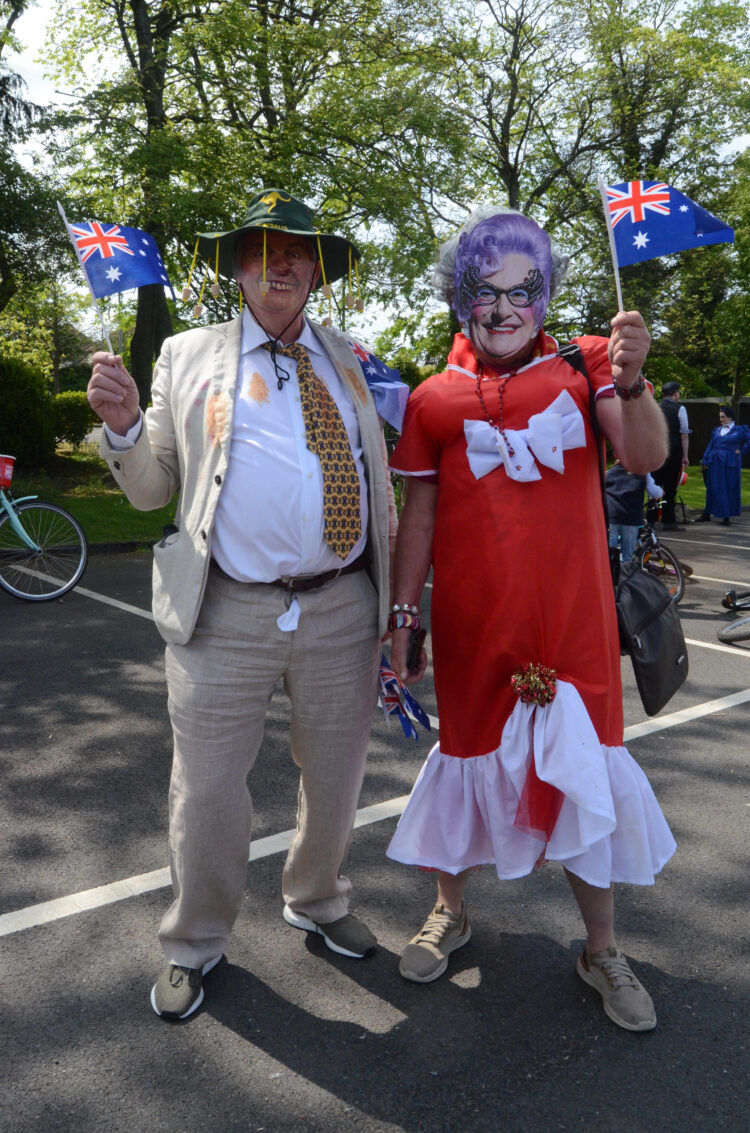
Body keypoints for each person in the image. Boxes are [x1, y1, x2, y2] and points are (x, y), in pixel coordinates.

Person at [87, 189, 402, 1020]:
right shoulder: (187, 354)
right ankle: (194, 940)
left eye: (298, 251)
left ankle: (318, 897)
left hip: (341, 606)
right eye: (262, 250)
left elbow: (380, 481)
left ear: (316, 272)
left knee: (336, 775)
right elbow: (157, 488)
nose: (282, 263)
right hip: (224, 608)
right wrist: (122, 430)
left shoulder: (348, 358)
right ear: (238, 267)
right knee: (208, 789)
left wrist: (401, 602)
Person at [386, 206, 676, 1033]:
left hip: (572, 623)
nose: (506, 309)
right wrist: (405, 615)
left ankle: (601, 947)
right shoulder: (433, 397)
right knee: (466, 758)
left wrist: (630, 380)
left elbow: (646, 456)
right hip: (478, 626)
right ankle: (451, 910)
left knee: (583, 774)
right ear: (460, 298)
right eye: (486, 291)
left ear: (545, 295)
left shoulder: (587, 367)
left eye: (524, 291)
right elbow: (418, 517)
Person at [698, 405, 750, 526]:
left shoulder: (739, 430)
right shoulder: (716, 430)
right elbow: (711, 445)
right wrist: (704, 460)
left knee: (727, 488)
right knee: (713, 487)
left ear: (730, 417)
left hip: (730, 463)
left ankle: (726, 516)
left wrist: (742, 451)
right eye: (720, 417)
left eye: (723, 417)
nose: (721, 419)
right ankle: (707, 514)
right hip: (716, 461)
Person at [606, 459, 663, 562]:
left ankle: (609, 576)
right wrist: (661, 493)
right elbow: (654, 492)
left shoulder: (610, 472)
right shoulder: (642, 472)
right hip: (630, 517)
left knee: (608, 555)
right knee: (627, 556)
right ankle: (625, 575)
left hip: (612, 515)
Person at [652, 380, 689, 530]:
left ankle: (650, 519)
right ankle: (668, 521)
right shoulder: (680, 409)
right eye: (678, 392)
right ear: (675, 393)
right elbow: (684, 434)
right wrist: (685, 455)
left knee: (654, 484)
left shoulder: (654, 407)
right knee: (670, 487)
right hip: (673, 451)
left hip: (656, 450)